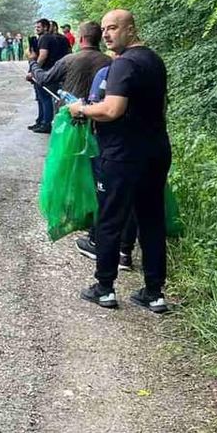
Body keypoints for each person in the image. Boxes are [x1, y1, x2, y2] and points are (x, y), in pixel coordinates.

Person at [68, 9, 171, 313]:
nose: (107, 34)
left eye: (113, 28)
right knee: (151, 221)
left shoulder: (124, 64)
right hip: (156, 151)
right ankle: (154, 293)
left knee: (111, 219)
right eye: (104, 29)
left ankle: (104, 289)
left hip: (123, 156)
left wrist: (82, 110)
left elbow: (112, 110)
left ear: (131, 29)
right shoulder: (154, 60)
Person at [74, 51, 139, 272]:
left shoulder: (108, 72)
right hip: (143, 148)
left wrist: (80, 109)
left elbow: (100, 109)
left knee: (107, 200)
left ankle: (97, 247)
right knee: (131, 200)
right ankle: (125, 250)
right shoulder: (149, 69)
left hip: (111, 147)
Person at [27, 20, 109, 102]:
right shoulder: (110, 61)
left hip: (70, 111)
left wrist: (32, 62)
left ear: (81, 39)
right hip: (100, 110)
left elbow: (45, 79)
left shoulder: (68, 60)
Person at [27, 18, 71, 133]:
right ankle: (41, 121)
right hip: (58, 70)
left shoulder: (45, 38)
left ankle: (46, 123)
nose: (37, 29)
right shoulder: (61, 39)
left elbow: (43, 55)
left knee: (44, 97)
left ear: (46, 27)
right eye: (36, 27)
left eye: (39, 27)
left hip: (44, 71)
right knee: (44, 97)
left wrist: (34, 69)